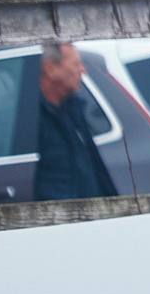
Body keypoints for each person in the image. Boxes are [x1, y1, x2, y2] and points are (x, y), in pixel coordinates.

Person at [32, 40, 119, 202]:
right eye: (76, 64)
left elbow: (95, 169)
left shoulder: (73, 109)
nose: (83, 70)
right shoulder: (27, 120)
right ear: (51, 69)